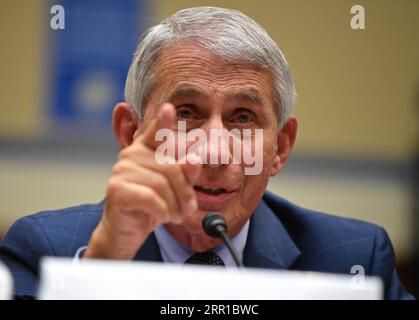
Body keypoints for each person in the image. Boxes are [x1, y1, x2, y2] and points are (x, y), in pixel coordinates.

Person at [0, 6, 413, 300]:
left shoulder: (353, 259)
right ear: (130, 132)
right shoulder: (46, 250)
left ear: (280, 147)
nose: (215, 150)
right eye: (185, 113)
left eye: (243, 118)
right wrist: (107, 260)